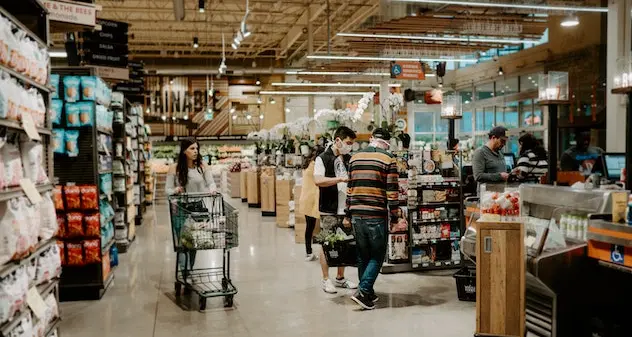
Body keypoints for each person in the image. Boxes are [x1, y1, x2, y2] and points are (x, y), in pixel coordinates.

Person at [346, 128, 399, 310]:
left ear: (371, 139)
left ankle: (367, 293)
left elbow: (350, 187)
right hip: (375, 214)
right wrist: (395, 216)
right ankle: (363, 290)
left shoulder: (354, 157)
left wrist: (347, 212)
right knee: (377, 255)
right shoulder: (388, 158)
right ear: (387, 142)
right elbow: (392, 192)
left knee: (363, 255)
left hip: (356, 213)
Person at [313, 126, 358, 294]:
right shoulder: (322, 158)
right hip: (329, 209)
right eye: (347, 142)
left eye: (352, 143)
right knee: (327, 243)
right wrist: (339, 178)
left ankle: (340, 278)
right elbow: (318, 180)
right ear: (338, 140)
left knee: (344, 244)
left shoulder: (349, 159)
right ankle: (326, 280)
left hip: (346, 209)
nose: (350, 146)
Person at [166, 139, 217, 274]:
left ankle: (190, 269)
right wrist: (176, 190)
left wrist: (212, 189)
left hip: (198, 208)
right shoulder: (174, 168)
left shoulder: (202, 166)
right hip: (181, 209)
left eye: (196, 148)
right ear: (184, 151)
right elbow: (167, 190)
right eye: (192, 149)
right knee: (183, 242)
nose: (195, 151)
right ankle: (185, 271)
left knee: (194, 241)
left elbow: (211, 183)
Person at [298, 145, 324, 261]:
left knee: (309, 226)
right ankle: (323, 252)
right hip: (314, 198)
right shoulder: (315, 165)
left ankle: (308, 252)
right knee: (318, 226)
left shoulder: (307, 163)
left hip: (306, 198)